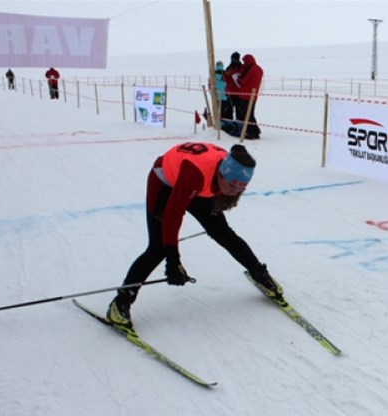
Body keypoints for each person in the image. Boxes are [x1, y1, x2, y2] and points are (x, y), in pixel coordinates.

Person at [106, 142, 282, 329]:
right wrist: (173, 260)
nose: (235, 192)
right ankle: (121, 302)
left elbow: (231, 168)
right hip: (165, 183)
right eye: (232, 186)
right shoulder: (197, 173)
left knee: (222, 232)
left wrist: (227, 192)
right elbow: (173, 216)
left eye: (241, 189)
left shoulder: (228, 170)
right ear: (221, 174)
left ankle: (258, 272)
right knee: (158, 249)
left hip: (198, 184)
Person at [235, 53, 264, 139]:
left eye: (244, 61)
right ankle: (255, 131)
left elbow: (244, 81)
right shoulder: (259, 69)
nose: (243, 63)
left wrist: (238, 79)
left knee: (246, 114)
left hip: (245, 95)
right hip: (253, 95)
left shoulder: (250, 69)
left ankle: (251, 132)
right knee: (251, 113)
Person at [223, 52, 243, 122]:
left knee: (239, 111)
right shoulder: (229, 67)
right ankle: (229, 125)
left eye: (235, 59)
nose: (233, 60)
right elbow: (225, 77)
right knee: (228, 111)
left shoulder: (241, 67)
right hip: (229, 92)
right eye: (232, 59)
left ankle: (239, 125)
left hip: (239, 93)